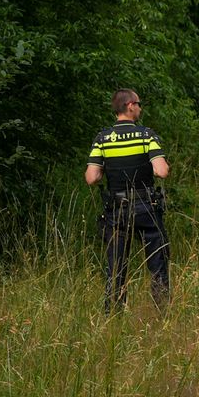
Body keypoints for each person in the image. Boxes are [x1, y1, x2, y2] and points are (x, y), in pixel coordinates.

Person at [85, 89, 170, 311]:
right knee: (157, 263)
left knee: (116, 266)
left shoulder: (102, 138)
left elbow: (92, 177)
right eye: (139, 104)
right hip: (146, 207)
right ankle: (162, 313)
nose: (141, 108)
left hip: (116, 209)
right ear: (131, 105)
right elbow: (161, 172)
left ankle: (113, 314)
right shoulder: (146, 135)